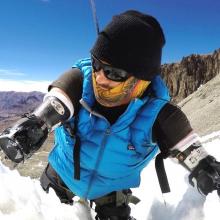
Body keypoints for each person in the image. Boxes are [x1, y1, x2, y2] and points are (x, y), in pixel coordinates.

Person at [1, 10, 220, 220]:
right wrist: (32, 127)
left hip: (111, 191)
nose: (99, 78)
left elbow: (199, 161)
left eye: (114, 73)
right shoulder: (81, 83)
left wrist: (210, 175)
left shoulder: (162, 117)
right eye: (96, 64)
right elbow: (58, 100)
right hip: (60, 175)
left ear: (141, 80)